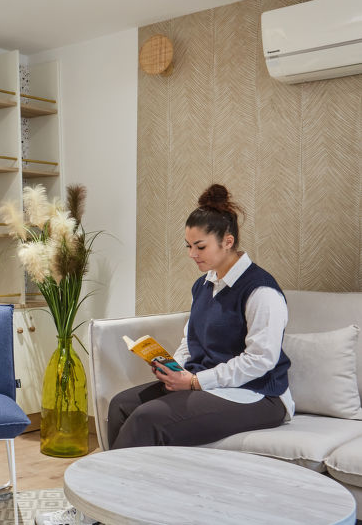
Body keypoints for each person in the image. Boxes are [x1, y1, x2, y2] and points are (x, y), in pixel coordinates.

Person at [106, 183, 294, 449]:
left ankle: (115, 477)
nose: (192, 254)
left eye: (200, 247)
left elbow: (260, 360)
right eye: (189, 246)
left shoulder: (261, 290)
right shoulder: (202, 286)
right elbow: (190, 340)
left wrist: (195, 382)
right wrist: (173, 368)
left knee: (147, 418)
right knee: (120, 405)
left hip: (256, 394)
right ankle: (119, 474)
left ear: (227, 242)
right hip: (206, 384)